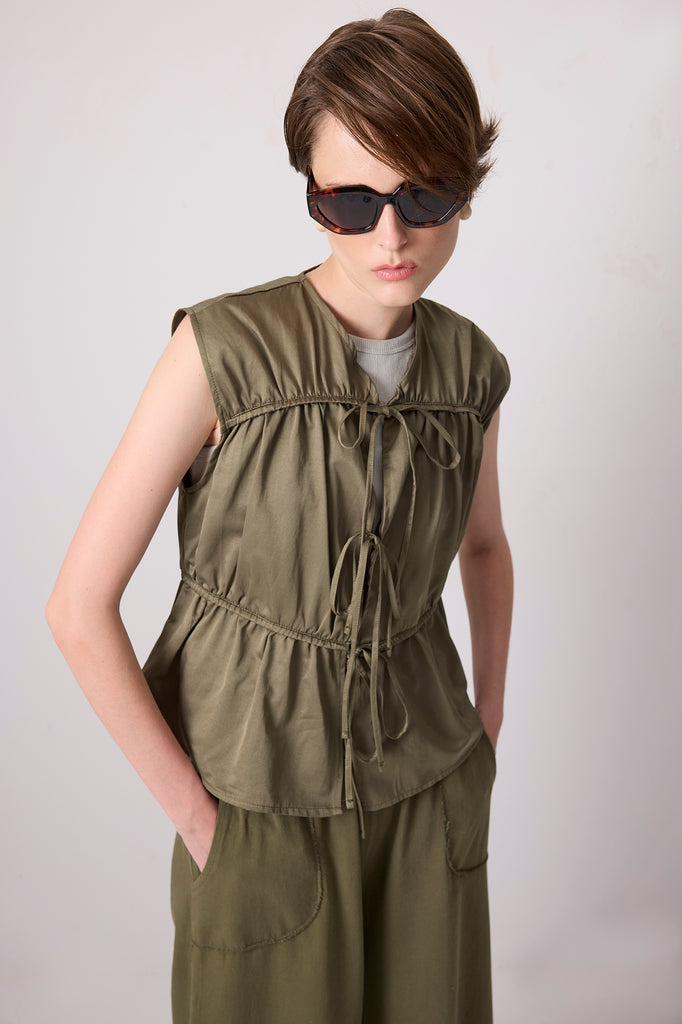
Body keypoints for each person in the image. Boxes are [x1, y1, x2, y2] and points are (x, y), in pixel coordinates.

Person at [46, 9, 513, 1023]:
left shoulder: (471, 368)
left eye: (424, 196)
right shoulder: (219, 353)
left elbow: (483, 546)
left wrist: (485, 728)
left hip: (431, 784)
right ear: (310, 189)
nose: (390, 235)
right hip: (253, 801)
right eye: (350, 201)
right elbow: (77, 606)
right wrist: (196, 816)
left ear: (464, 190)